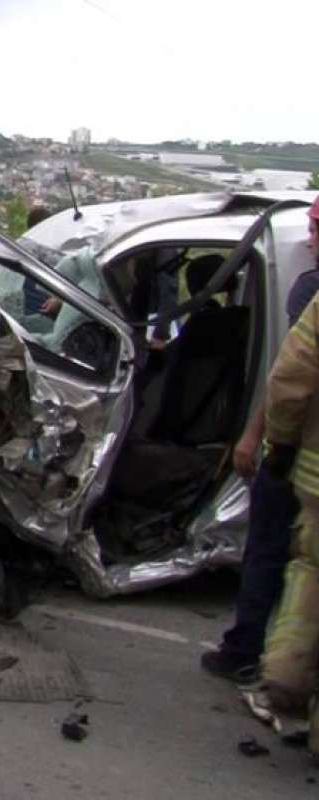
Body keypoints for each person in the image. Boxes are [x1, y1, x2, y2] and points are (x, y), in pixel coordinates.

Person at [200, 198, 319, 683]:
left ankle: (252, 655)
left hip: (299, 466)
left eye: (317, 230)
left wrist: (262, 440)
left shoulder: (311, 293)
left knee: (275, 556)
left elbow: (288, 382)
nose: (311, 240)